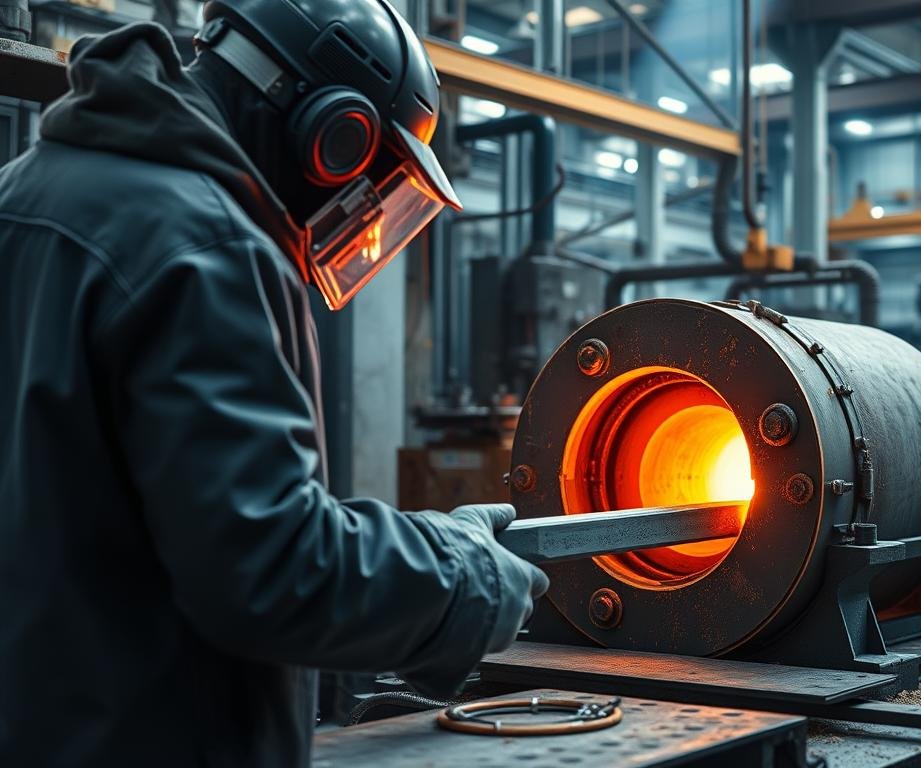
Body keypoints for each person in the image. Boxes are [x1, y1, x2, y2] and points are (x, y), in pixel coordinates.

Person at [0, 1, 548, 764]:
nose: (360, 213)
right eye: (371, 177)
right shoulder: (206, 244)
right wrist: (464, 576)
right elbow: (271, 566)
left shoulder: (22, 193)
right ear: (335, 134)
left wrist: (438, 543)